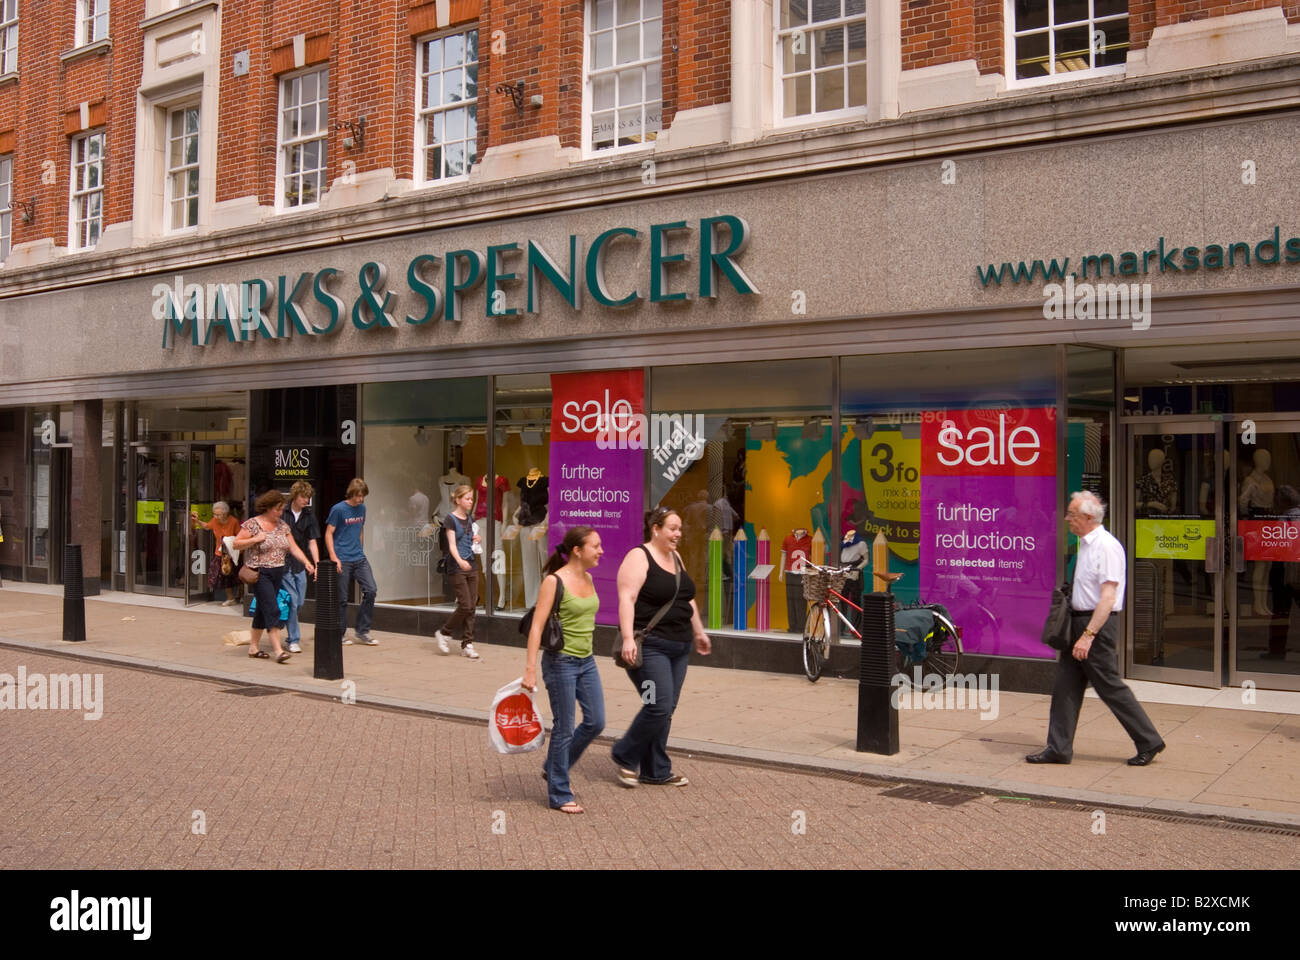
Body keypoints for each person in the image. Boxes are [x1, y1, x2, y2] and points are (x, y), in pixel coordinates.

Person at [1028, 491, 1166, 766]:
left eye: (1072, 515)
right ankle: (1058, 748)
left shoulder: (1107, 547)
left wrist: (1088, 636)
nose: (1067, 518)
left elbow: (1108, 597)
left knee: (1109, 686)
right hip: (1078, 622)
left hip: (1095, 626)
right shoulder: (1086, 544)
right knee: (1066, 687)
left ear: (1089, 518)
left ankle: (1149, 740)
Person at [611, 506, 711, 787]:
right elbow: (627, 598)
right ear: (656, 529)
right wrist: (629, 637)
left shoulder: (676, 558)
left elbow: (686, 598)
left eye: (680, 529)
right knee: (657, 705)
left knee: (665, 709)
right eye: (673, 528)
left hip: (679, 647)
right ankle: (623, 753)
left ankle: (655, 770)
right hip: (650, 647)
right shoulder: (638, 557)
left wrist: (699, 631)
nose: (678, 534)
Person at [522, 526, 605, 814]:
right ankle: (559, 792)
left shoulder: (590, 577)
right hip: (561, 663)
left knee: (596, 721)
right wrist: (530, 669)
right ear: (577, 550)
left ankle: (554, 765)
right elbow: (537, 626)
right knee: (565, 727)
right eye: (595, 546)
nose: (601, 550)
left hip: (587, 660)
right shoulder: (554, 582)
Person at [232, 490, 317, 663]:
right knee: (273, 609)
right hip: (260, 573)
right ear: (268, 508)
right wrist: (255, 540)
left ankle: (253, 647)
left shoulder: (282, 526)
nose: (280, 513)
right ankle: (278, 651)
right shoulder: (253, 524)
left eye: (281, 509)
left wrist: (307, 562)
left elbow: (293, 547)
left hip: (278, 572)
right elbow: (236, 543)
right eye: (277, 510)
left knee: (262, 612)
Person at [326, 478, 378, 646]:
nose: (360, 500)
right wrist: (334, 557)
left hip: (359, 557)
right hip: (342, 558)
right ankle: (340, 633)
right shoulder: (338, 509)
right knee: (342, 598)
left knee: (371, 590)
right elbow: (329, 533)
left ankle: (362, 630)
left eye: (363, 496)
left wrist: (361, 548)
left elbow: (360, 528)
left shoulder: (362, 508)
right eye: (358, 496)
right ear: (351, 493)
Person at [434, 484, 482, 660]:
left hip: (471, 565)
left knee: (472, 607)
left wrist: (477, 538)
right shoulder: (450, 520)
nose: (471, 501)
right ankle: (444, 633)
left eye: (472, 498)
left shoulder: (469, 519)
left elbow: (470, 540)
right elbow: (452, 545)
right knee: (465, 605)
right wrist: (460, 561)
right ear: (458, 500)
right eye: (468, 498)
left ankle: (467, 644)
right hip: (456, 567)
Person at [283, 481, 321, 654]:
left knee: (299, 602)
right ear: (295, 496)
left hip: (300, 562)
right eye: (303, 497)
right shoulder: (282, 512)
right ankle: (293, 639)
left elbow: (312, 541)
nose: (306, 500)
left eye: (308, 497)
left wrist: (316, 563)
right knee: (292, 600)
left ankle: (282, 624)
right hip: (283, 562)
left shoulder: (309, 516)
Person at [193, 501, 242, 606]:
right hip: (220, 553)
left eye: (218, 514)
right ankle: (231, 597)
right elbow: (207, 526)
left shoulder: (233, 521)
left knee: (234, 576)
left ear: (225, 513)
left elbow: (240, 537)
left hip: (231, 554)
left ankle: (239, 597)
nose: (216, 516)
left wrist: (238, 551)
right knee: (220, 574)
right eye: (214, 514)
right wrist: (197, 521)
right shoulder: (215, 521)